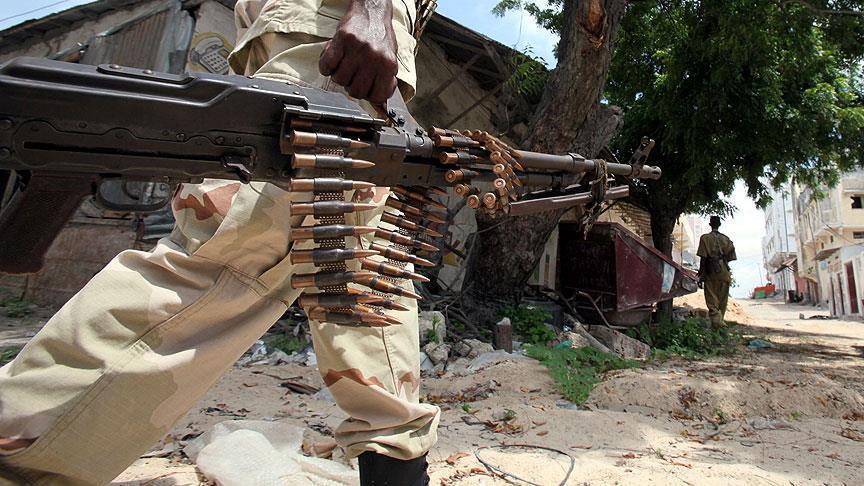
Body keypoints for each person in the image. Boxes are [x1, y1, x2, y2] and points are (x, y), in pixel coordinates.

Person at [0, 0, 440, 484]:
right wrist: (374, 9)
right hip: (336, 27)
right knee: (241, 251)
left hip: (322, 28)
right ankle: (19, 451)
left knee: (358, 269)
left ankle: (396, 467)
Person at [697, 216, 737, 328]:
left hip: (710, 272)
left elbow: (703, 258)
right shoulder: (726, 239)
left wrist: (701, 274)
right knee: (722, 300)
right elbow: (731, 256)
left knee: (711, 298)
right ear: (719, 225)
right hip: (724, 271)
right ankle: (719, 323)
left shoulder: (705, 238)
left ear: (710, 224)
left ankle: (716, 321)